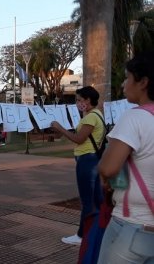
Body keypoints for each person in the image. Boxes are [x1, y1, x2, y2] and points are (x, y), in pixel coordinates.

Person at [97, 51, 154, 263]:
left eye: (128, 77)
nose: (123, 84)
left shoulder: (135, 117)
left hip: (132, 226)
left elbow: (109, 168)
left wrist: (105, 175)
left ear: (143, 82)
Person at [51, 86, 105, 246]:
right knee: (97, 199)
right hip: (93, 159)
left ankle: (82, 235)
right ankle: (100, 229)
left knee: (88, 200)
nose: (77, 103)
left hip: (87, 161)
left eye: (79, 100)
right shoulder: (97, 114)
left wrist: (61, 128)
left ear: (88, 100)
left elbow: (79, 139)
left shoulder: (90, 118)